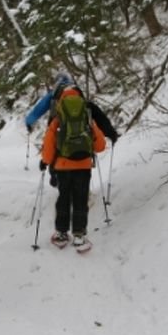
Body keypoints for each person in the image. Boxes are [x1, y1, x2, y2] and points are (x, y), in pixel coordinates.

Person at [39, 87, 106, 249]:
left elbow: (48, 145)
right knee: (80, 199)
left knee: (64, 198)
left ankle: (61, 234)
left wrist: (45, 161)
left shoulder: (58, 119)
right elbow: (100, 145)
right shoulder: (87, 118)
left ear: (61, 101)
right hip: (83, 166)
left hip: (62, 167)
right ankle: (79, 235)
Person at [25, 72, 119, 143]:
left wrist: (29, 122)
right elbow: (98, 115)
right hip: (81, 132)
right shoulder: (76, 91)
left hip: (58, 128)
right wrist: (111, 133)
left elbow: (39, 108)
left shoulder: (53, 94)